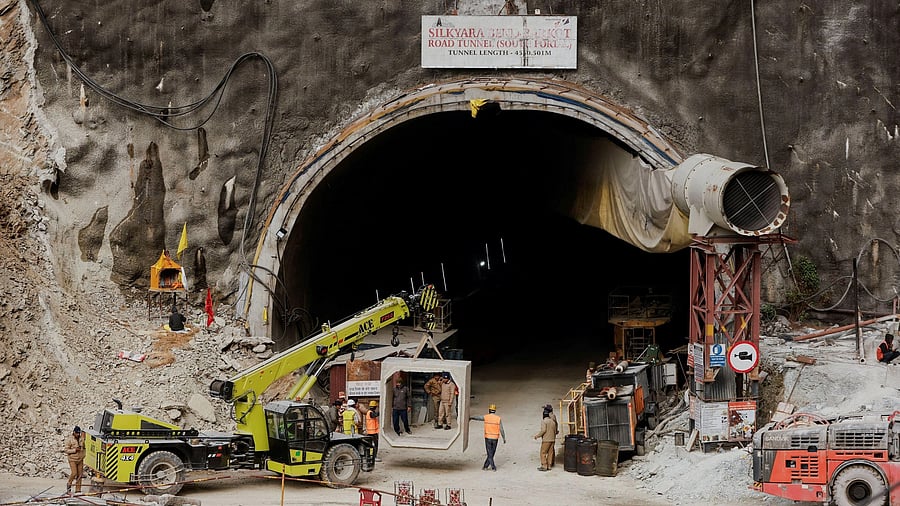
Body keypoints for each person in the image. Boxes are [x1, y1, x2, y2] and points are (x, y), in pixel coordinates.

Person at [469, 404, 506, 471]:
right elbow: (501, 429)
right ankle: (487, 466)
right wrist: (504, 438)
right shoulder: (498, 418)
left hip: (488, 437)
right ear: (495, 411)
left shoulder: (486, 417)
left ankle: (491, 467)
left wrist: (471, 417)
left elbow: (478, 418)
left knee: (489, 453)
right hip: (495, 438)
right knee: (492, 452)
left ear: (489, 410)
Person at [533, 406, 558, 471]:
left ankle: (544, 465)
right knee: (550, 452)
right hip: (553, 439)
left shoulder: (544, 421)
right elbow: (555, 430)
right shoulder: (553, 421)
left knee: (543, 452)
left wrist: (537, 436)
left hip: (546, 440)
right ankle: (549, 465)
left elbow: (543, 430)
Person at [63, 425, 86, 495]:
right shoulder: (69, 440)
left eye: (79, 433)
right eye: (77, 433)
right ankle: (69, 484)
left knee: (79, 475)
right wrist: (74, 450)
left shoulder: (81, 439)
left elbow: (84, 448)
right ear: (74, 432)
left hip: (80, 459)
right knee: (74, 473)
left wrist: (83, 455)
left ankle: (78, 489)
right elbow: (66, 450)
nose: (78, 434)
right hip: (72, 459)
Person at [542, 404, 559, 468]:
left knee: (546, 450)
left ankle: (546, 464)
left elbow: (554, 424)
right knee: (551, 450)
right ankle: (550, 463)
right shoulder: (552, 415)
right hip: (552, 433)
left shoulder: (550, 416)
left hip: (549, 434)